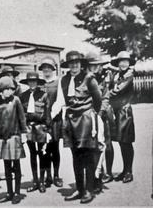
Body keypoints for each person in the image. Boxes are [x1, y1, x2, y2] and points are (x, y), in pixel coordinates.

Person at [57, 51, 102, 204]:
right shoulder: (64, 80)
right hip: (70, 120)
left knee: (88, 156)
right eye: (71, 63)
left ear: (81, 64)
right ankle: (80, 189)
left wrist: (91, 115)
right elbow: (62, 100)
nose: (74, 66)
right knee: (76, 157)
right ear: (68, 65)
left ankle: (89, 190)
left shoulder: (89, 78)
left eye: (76, 63)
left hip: (85, 120)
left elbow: (98, 100)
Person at [0, 76, 28, 204]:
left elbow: (22, 118)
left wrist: (24, 133)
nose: (9, 91)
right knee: (7, 166)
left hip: (14, 137)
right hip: (3, 138)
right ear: (1, 90)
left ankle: (17, 192)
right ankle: (9, 192)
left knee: (16, 165)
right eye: (6, 89)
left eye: (11, 89)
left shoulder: (16, 100)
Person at [85, 51, 115, 192]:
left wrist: (101, 111)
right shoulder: (84, 78)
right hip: (86, 117)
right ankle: (93, 178)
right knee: (90, 148)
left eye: (98, 65)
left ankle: (100, 176)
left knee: (103, 146)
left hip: (101, 115)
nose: (97, 68)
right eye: (93, 65)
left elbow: (106, 96)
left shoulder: (103, 77)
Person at [20, 72, 50, 193]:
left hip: (41, 127)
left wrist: (48, 129)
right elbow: (22, 114)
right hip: (29, 128)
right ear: (27, 83)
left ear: (38, 83)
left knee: (42, 154)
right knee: (33, 154)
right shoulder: (23, 96)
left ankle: (42, 181)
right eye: (30, 81)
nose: (32, 83)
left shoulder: (44, 95)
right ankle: (35, 180)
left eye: (34, 81)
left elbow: (47, 113)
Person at [109, 51, 135, 184]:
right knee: (121, 141)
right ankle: (125, 170)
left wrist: (104, 94)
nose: (123, 63)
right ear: (117, 63)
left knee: (126, 141)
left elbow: (117, 90)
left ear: (129, 63)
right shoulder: (116, 74)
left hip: (125, 111)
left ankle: (129, 171)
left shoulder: (129, 74)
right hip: (116, 110)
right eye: (121, 61)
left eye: (126, 61)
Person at [39, 57, 63, 187]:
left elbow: (60, 101)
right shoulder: (40, 83)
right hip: (42, 121)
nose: (46, 70)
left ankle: (56, 175)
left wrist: (52, 116)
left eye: (48, 67)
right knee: (45, 149)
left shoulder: (58, 82)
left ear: (53, 69)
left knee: (55, 148)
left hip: (55, 120)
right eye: (44, 68)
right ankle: (47, 176)